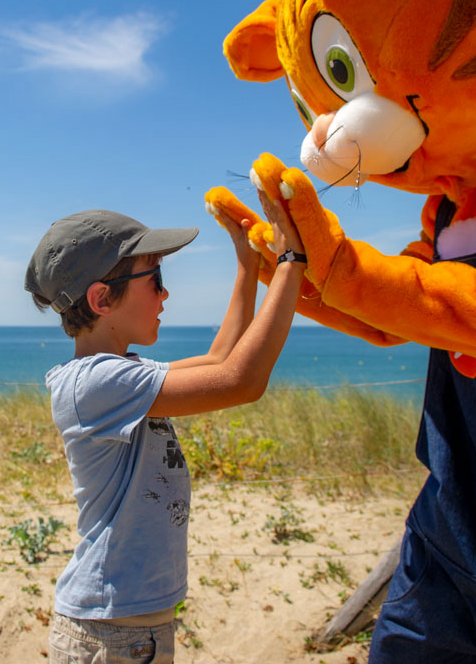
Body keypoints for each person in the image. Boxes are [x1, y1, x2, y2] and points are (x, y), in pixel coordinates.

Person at [23, 189, 308, 664]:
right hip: (110, 635)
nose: (165, 292)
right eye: (154, 279)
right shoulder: (98, 383)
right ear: (101, 299)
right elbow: (242, 381)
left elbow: (221, 359)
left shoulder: (118, 373)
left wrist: (247, 269)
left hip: (129, 629)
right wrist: (290, 262)